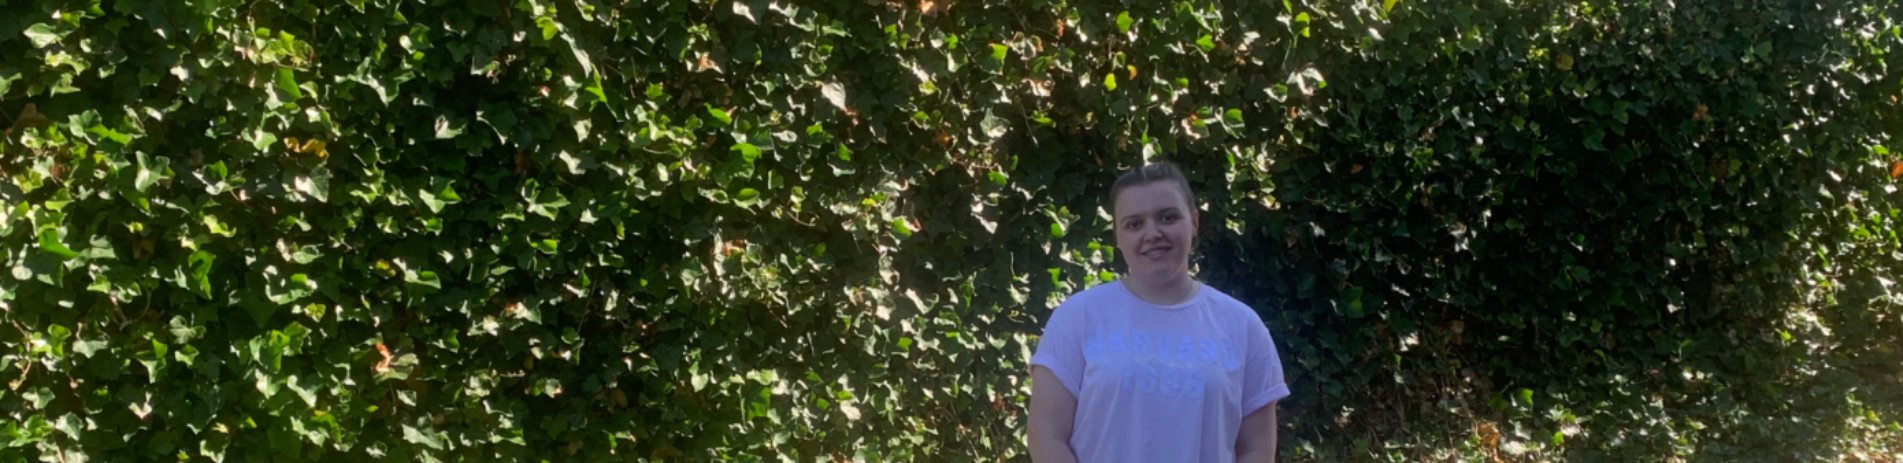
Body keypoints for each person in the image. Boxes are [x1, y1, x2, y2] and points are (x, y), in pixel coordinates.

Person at [1028, 162, 1289, 463]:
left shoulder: (1242, 326)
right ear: (1117, 235)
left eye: (1167, 217)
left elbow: (1256, 449)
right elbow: (1046, 438)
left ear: (1193, 222)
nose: (1152, 234)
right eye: (1134, 224)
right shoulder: (1078, 317)